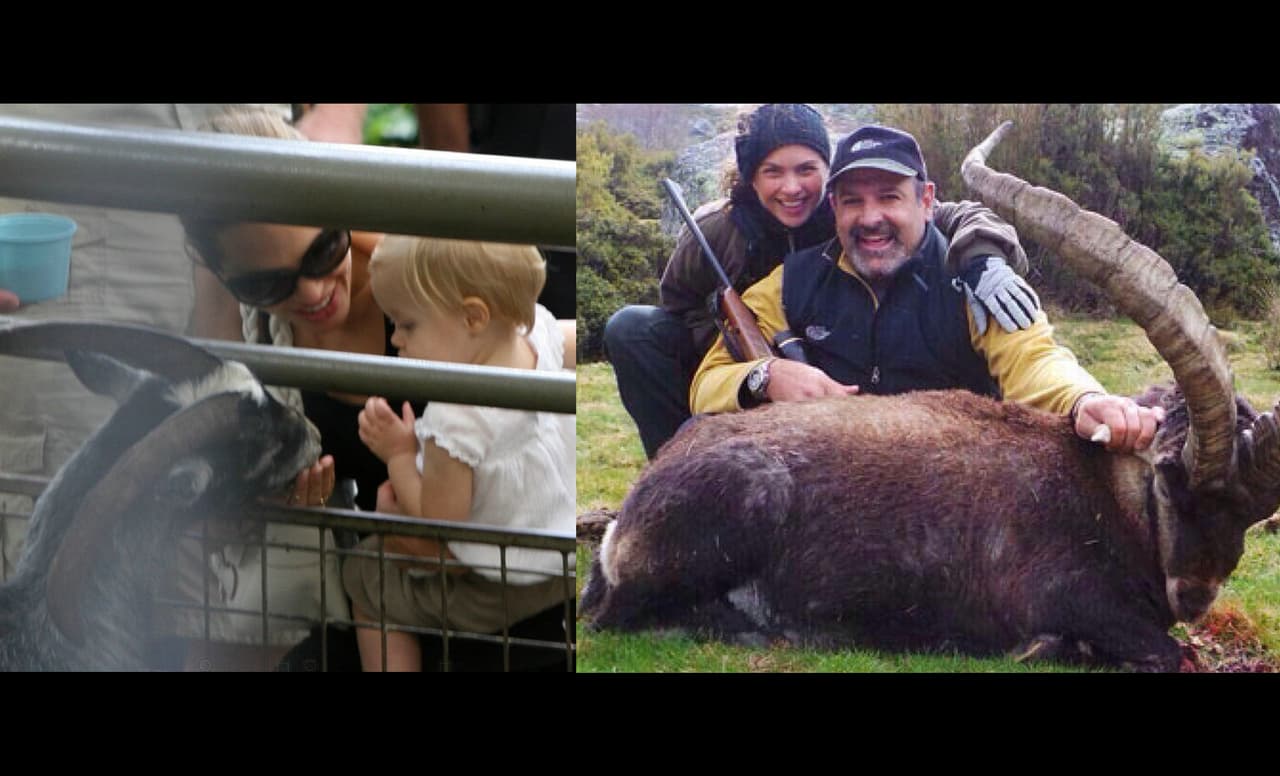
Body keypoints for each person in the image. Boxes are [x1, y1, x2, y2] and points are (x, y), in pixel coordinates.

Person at [603, 104, 1041, 459]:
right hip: (740, 353)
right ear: (751, 178)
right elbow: (678, 304)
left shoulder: (852, 211)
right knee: (633, 329)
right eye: (773, 171)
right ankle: (670, 467)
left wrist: (985, 257)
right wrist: (755, 359)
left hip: (831, 359)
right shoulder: (716, 230)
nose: (791, 187)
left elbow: (950, 214)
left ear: (827, 173)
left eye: (806, 169)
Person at [691, 124, 1163, 453]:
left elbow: (1035, 359)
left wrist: (1085, 400)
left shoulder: (976, 278)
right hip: (825, 492)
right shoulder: (789, 284)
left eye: (890, 197)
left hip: (949, 497)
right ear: (832, 207)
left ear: (927, 200)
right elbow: (706, 385)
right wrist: (765, 377)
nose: (871, 217)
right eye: (853, 201)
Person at [347, 235, 574, 672]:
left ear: (473, 316)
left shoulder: (456, 419)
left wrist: (397, 453)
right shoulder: (537, 333)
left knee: (364, 575)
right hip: (563, 551)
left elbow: (440, 522)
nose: (395, 339)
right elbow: (575, 341)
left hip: (505, 582)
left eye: (407, 324)